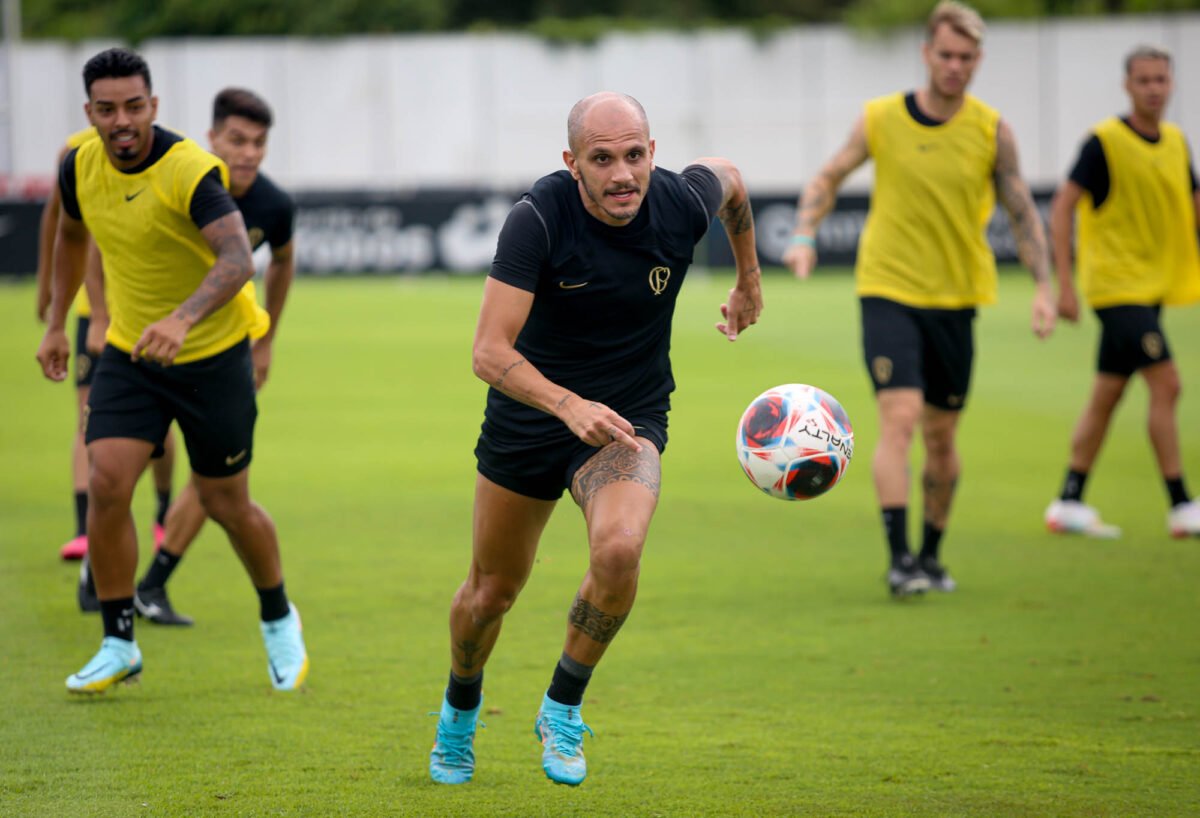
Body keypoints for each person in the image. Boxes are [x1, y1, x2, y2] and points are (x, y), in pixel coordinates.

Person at [427, 91, 763, 786]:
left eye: (635, 155)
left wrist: (748, 275)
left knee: (619, 548)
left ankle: (562, 706)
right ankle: (460, 708)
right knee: (491, 593)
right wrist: (565, 403)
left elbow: (730, 177)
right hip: (529, 416)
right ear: (571, 162)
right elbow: (488, 353)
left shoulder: (677, 203)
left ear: (653, 152)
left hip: (627, 417)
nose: (622, 175)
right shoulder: (538, 220)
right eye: (602, 159)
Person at [35, 47, 308, 694]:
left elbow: (240, 259)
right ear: (90, 113)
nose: (122, 120)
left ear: (153, 107)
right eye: (108, 109)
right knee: (106, 482)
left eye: (134, 106)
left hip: (213, 357)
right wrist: (55, 326)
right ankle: (118, 640)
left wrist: (183, 319)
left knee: (225, 502)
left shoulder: (190, 171)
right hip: (131, 353)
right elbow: (72, 236)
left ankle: (277, 615)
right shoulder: (80, 165)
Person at [782, 0, 1056, 596]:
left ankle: (932, 555)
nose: (954, 66)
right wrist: (803, 236)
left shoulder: (991, 129)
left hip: (957, 298)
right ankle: (900, 560)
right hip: (887, 288)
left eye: (966, 57)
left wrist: (1043, 286)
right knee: (899, 419)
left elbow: (1020, 210)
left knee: (942, 437)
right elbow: (828, 176)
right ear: (927, 53)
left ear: (977, 61)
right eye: (945, 54)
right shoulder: (881, 118)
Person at [131, 87, 297, 626]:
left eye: (258, 143)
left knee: (215, 477)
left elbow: (283, 262)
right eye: (236, 140)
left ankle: (151, 585)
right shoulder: (184, 183)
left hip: (225, 354)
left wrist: (266, 338)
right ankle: (120, 576)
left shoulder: (273, 205)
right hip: (155, 346)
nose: (248, 153)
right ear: (212, 138)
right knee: (124, 465)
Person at [1043, 45, 1200, 539]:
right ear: (1127, 86)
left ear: (1172, 84)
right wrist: (1065, 284)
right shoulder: (1104, 143)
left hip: (1151, 287)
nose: (1154, 88)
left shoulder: (1176, 141)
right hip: (1115, 288)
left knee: (1108, 394)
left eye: (1162, 79)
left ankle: (1068, 500)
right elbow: (1063, 207)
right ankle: (1181, 504)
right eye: (1145, 80)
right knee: (1168, 383)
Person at [36, 129, 176, 566]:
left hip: (148, 311)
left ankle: (163, 510)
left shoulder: (162, 156)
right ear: (92, 109)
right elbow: (60, 225)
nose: (120, 119)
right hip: (91, 315)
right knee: (87, 415)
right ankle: (84, 530)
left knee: (160, 424)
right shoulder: (75, 155)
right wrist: (51, 290)